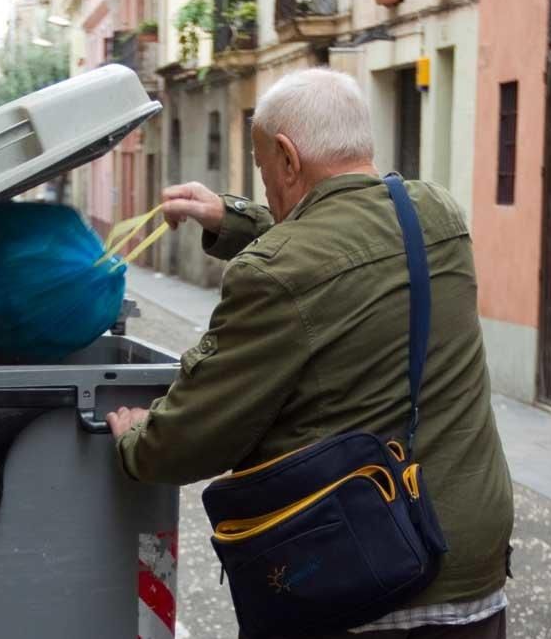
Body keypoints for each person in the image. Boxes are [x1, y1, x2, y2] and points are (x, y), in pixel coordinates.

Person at [106, 68, 514, 638]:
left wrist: (135, 438)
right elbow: (343, 236)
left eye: (263, 168)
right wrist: (231, 219)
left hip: (360, 579)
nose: (267, 183)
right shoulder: (437, 217)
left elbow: (190, 438)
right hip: (469, 570)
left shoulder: (272, 275)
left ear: (287, 157)